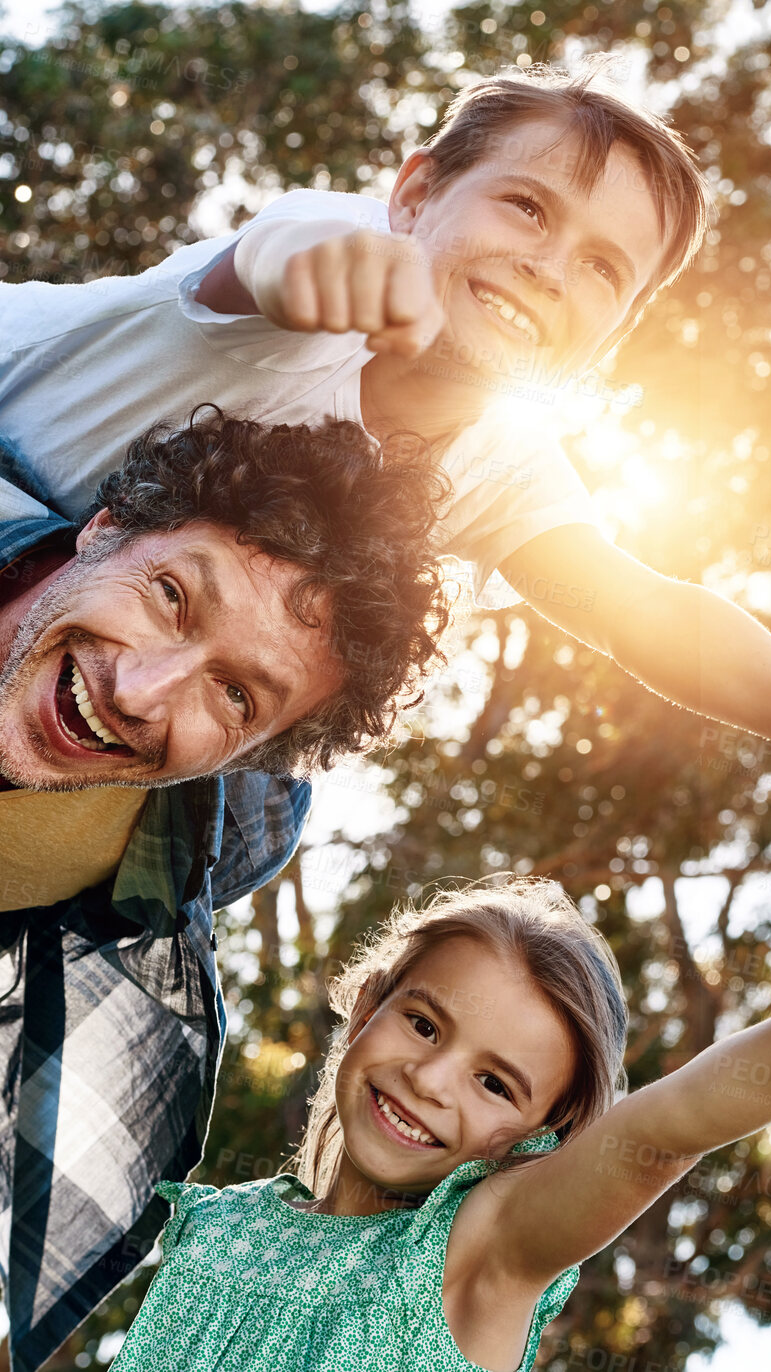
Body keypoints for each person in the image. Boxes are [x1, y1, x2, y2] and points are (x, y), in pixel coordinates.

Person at [0, 63, 771, 827]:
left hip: (89, 593)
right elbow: (267, 262)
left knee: (259, 806)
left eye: (603, 270)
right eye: (527, 208)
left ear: (612, 336)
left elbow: (636, 607)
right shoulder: (323, 266)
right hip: (16, 461)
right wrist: (317, 277)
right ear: (413, 196)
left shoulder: (504, 461)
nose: (549, 268)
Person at [0, 408, 453, 1372]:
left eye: (237, 695)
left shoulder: (218, 842)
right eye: (170, 596)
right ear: (108, 523)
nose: (140, 690)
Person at [104, 878, 771, 1371]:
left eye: (495, 1082)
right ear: (367, 1003)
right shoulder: (222, 1223)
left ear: (536, 1138)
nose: (431, 1079)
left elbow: (666, 1131)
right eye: (422, 1023)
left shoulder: (473, 1253)